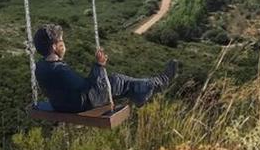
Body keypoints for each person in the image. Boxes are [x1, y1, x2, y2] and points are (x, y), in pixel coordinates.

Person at [33, 24, 176, 113]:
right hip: (81, 104)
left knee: (114, 82)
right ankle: (158, 83)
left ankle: (142, 92)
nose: (64, 45)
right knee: (117, 81)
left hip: (60, 104)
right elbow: (86, 86)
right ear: (54, 46)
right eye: (61, 41)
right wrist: (99, 65)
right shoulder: (60, 70)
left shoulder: (40, 66)